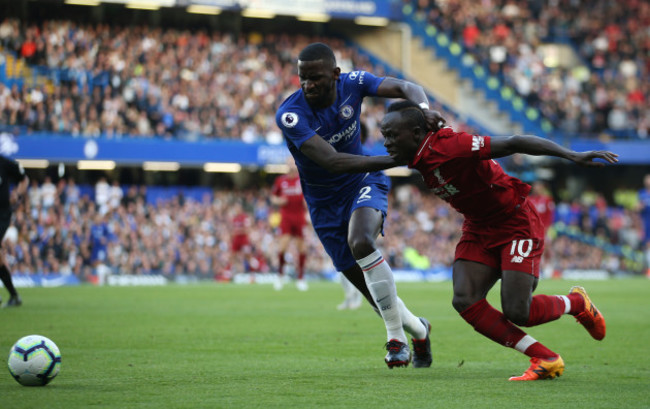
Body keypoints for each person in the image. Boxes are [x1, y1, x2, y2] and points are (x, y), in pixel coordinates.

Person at [379, 100, 617, 380]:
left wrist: (571, 155)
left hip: (515, 221)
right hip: (478, 227)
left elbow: (515, 142)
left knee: (518, 311)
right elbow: (361, 162)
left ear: (417, 133)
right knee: (465, 299)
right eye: (385, 135)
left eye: (392, 135)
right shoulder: (413, 154)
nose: (386, 142)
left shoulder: (453, 145)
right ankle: (545, 357)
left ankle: (576, 303)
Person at [276, 42, 444, 368]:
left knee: (361, 241)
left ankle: (396, 340)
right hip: (324, 206)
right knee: (380, 300)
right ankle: (419, 331)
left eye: (316, 78)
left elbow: (407, 87)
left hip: (364, 180)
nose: (308, 85)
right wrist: (399, 159)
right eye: (303, 78)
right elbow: (334, 161)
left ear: (336, 75)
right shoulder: (291, 115)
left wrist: (422, 110)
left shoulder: (353, 84)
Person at [271, 158, 309, 291]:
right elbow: (273, 197)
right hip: (286, 217)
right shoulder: (281, 181)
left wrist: (307, 204)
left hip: (299, 216)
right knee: (282, 247)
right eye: (289, 163)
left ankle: (301, 278)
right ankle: (280, 275)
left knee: (302, 248)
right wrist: (279, 200)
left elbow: (308, 196)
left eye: (293, 162)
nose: (291, 165)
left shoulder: (302, 179)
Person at [0, 155, 28, 307]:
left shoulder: (4, 163)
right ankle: (14, 296)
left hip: (2, 214)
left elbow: (24, 179)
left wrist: (17, 193)